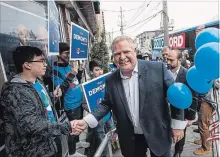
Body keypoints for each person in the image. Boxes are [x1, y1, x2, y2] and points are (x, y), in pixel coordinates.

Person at [71, 36, 188, 157]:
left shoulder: (158, 69)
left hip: (158, 132)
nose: (122, 57)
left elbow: (176, 95)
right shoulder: (110, 79)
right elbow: (106, 104)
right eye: (117, 54)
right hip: (131, 138)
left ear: (135, 51)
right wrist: (86, 121)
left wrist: (178, 125)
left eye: (126, 52)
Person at [0, 46, 78, 157]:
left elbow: (41, 105)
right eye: (41, 61)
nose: (45, 64)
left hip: (48, 144)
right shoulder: (15, 91)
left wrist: (53, 96)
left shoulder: (37, 82)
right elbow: (32, 125)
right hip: (31, 151)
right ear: (27, 65)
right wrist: (67, 127)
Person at [51, 42, 86, 157]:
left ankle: (77, 144)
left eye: (69, 53)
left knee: (78, 127)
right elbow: (60, 90)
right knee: (72, 129)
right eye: (66, 53)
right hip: (70, 105)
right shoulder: (55, 71)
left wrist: (79, 71)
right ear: (59, 54)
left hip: (78, 102)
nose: (68, 55)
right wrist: (71, 75)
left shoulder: (70, 66)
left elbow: (77, 81)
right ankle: (72, 153)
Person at [167, 49, 197, 157]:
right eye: (167, 59)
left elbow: (194, 96)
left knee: (181, 134)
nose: (168, 62)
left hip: (182, 111)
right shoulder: (164, 72)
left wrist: (190, 117)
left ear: (179, 60)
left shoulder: (187, 74)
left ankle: (178, 151)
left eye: (171, 60)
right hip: (167, 110)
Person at [193, 79, 219, 155]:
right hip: (208, 98)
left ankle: (205, 148)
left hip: (212, 100)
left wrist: (210, 79)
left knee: (203, 122)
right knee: (205, 122)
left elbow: (217, 84)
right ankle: (204, 140)